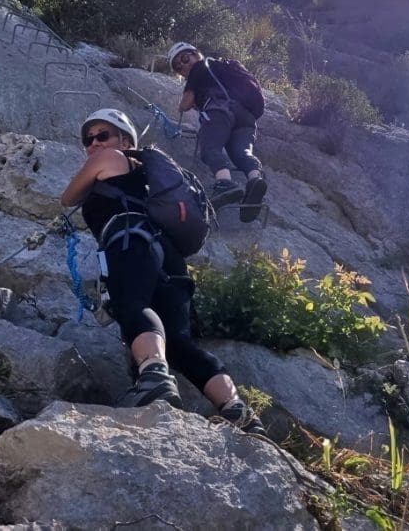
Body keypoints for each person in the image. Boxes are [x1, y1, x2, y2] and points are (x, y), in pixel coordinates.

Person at [60, 108, 266, 435]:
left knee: (131, 304)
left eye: (102, 135)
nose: (93, 143)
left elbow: (68, 196)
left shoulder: (111, 158)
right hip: (168, 256)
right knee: (180, 344)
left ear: (125, 141)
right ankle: (239, 412)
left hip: (129, 241)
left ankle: (154, 377)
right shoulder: (148, 179)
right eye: (89, 139)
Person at [169, 42, 267, 222]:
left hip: (220, 110)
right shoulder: (224, 66)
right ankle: (255, 179)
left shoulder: (199, 68)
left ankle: (225, 184)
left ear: (196, 54)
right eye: (178, 67)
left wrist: (182, 105)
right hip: (247, 118)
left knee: (210, 147)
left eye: (184, 58)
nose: (183, 66)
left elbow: (186, 103)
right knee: (241, 153)